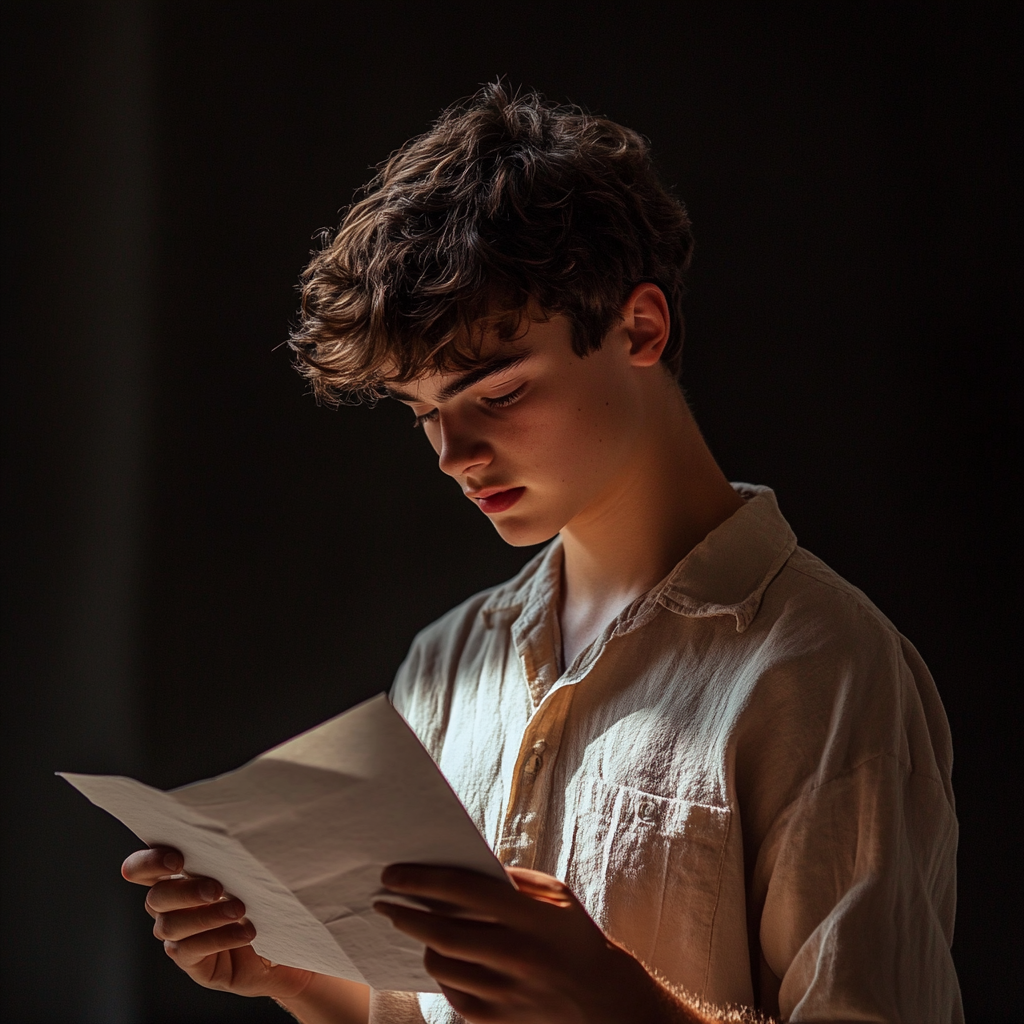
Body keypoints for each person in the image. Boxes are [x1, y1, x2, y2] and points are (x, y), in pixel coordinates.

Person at [122, 84, 962, 1024]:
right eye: (425, 413)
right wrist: (301, 977)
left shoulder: (822, 667)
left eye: (499, 391)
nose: (454, 455)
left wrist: (617, 1004)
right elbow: (419, 1007)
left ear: (640, 328)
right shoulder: (446, 664)